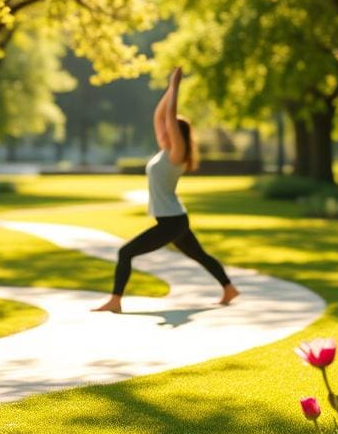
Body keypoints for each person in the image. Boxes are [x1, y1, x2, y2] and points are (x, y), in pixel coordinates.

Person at [94, 67, 239, 313]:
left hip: (171, 222)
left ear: (178, 135)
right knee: (199, 255)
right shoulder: (167, 152)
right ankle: (229, 288)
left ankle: (115, 300)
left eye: (170, 130)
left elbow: (169, 118)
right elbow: (159, 117)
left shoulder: (177, 154)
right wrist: (169, 89)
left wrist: (176, 86)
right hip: (175, 219)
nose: (164, 131)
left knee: (125, 253)